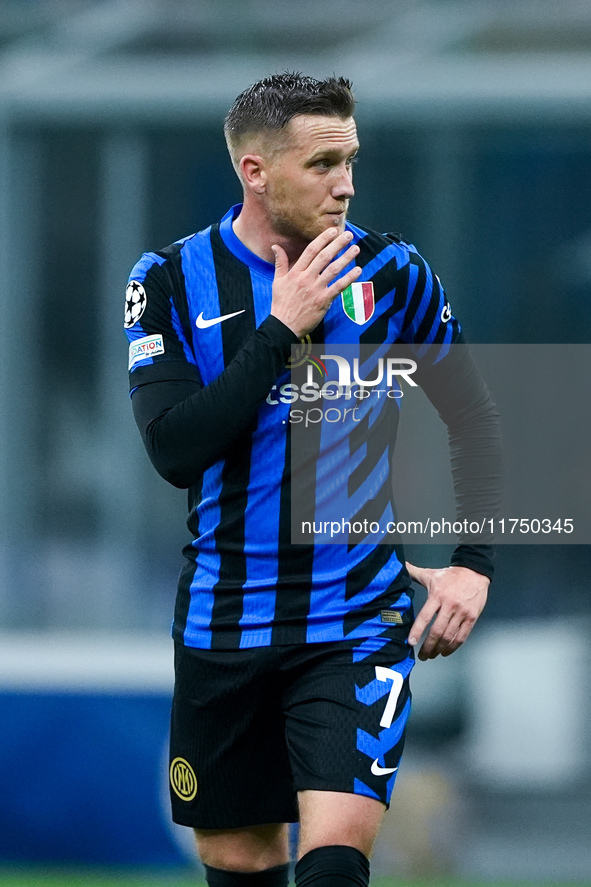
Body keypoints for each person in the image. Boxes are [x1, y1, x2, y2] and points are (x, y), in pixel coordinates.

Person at [124, 73, 500, 887]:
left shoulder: (391, 273)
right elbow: (174, 451)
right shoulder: (167, 282)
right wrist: (279, 328)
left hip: (353, 620)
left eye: (351, 159)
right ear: (254, 170)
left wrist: (473, 561)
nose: (346, 184)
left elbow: (477, 417)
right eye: (323, 162)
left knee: (333, 864)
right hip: (224, 626)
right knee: (240, 865)